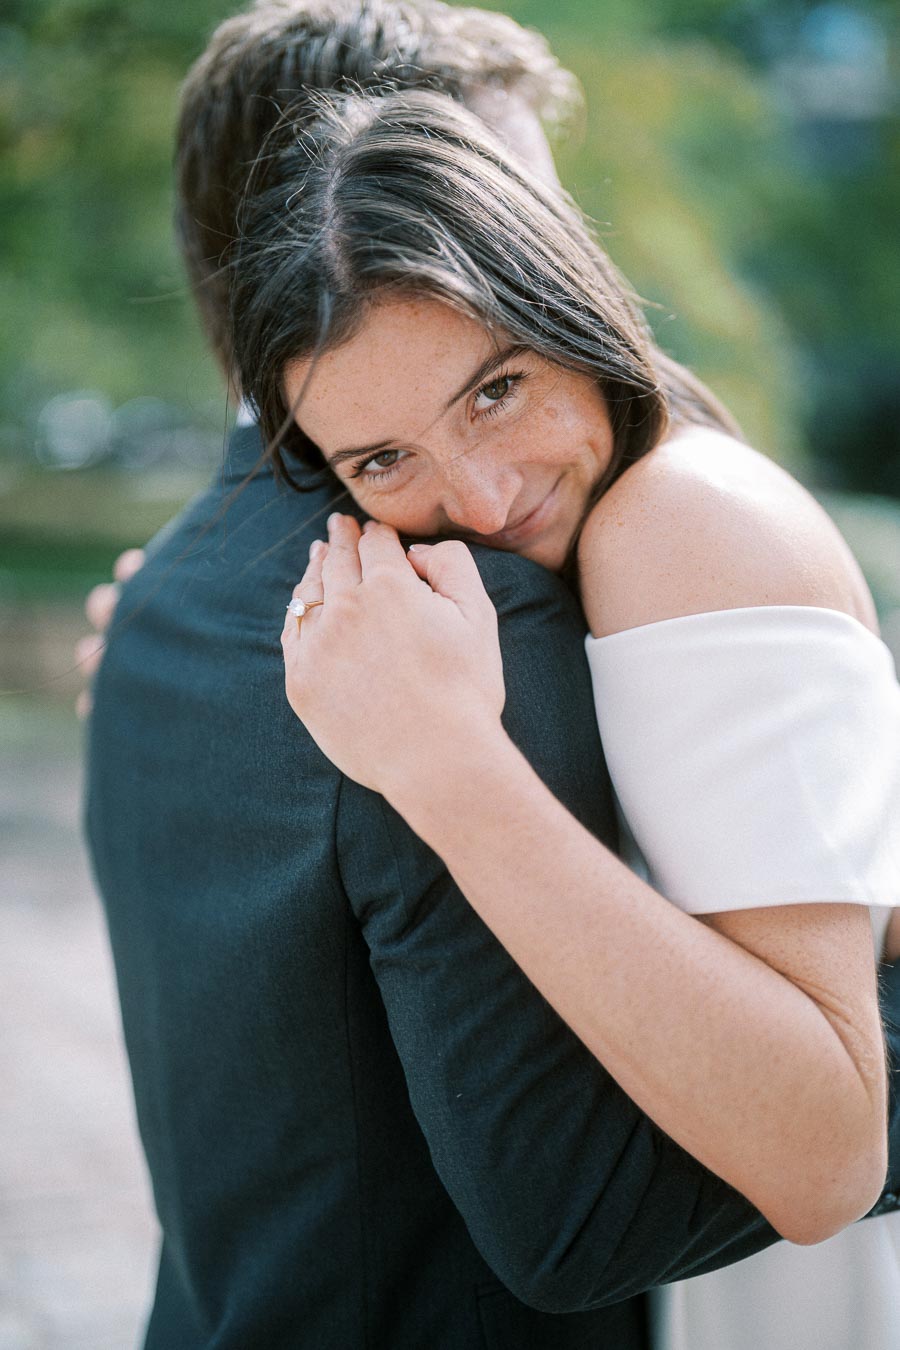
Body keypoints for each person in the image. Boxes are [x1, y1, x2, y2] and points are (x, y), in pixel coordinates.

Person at [83, 4, 864, 1347]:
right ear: (311, 223)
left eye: (531, 239)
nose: (487, 494)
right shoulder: (465, 618)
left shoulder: (159, 609)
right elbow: (606, 1205)